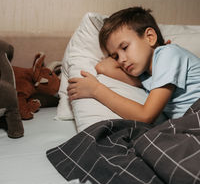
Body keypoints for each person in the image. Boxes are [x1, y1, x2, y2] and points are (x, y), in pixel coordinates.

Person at [67, 7, 200, 123]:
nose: (121, 60)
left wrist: (96, 90)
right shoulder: (146, 77)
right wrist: (119, 54)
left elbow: (146, 115)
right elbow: (103, 67)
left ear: (150, 37)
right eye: (115, 56)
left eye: (124, 47)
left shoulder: (168, 54)